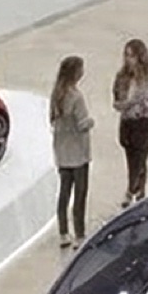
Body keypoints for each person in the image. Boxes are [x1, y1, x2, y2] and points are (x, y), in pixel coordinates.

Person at [50, 55, 93, 249]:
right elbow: (83, 124)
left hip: (62, 151)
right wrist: (92, 122)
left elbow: (52, 120)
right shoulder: (76, 97)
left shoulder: (56, 94)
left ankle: (63, 232)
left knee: (64, 192)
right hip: (78, 152)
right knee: (80, 193)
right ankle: (80, 234)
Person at [111, 38, 148, 208]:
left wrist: (139, 104)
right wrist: (127, 104)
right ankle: (140, 193)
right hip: (127, 122)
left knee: (140, 158)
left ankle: (131, 191)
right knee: (134, 161)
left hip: (143, 122)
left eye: (131, 55)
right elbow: (116, 101)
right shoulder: (121, 77)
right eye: (126, 55)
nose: (128, 59)